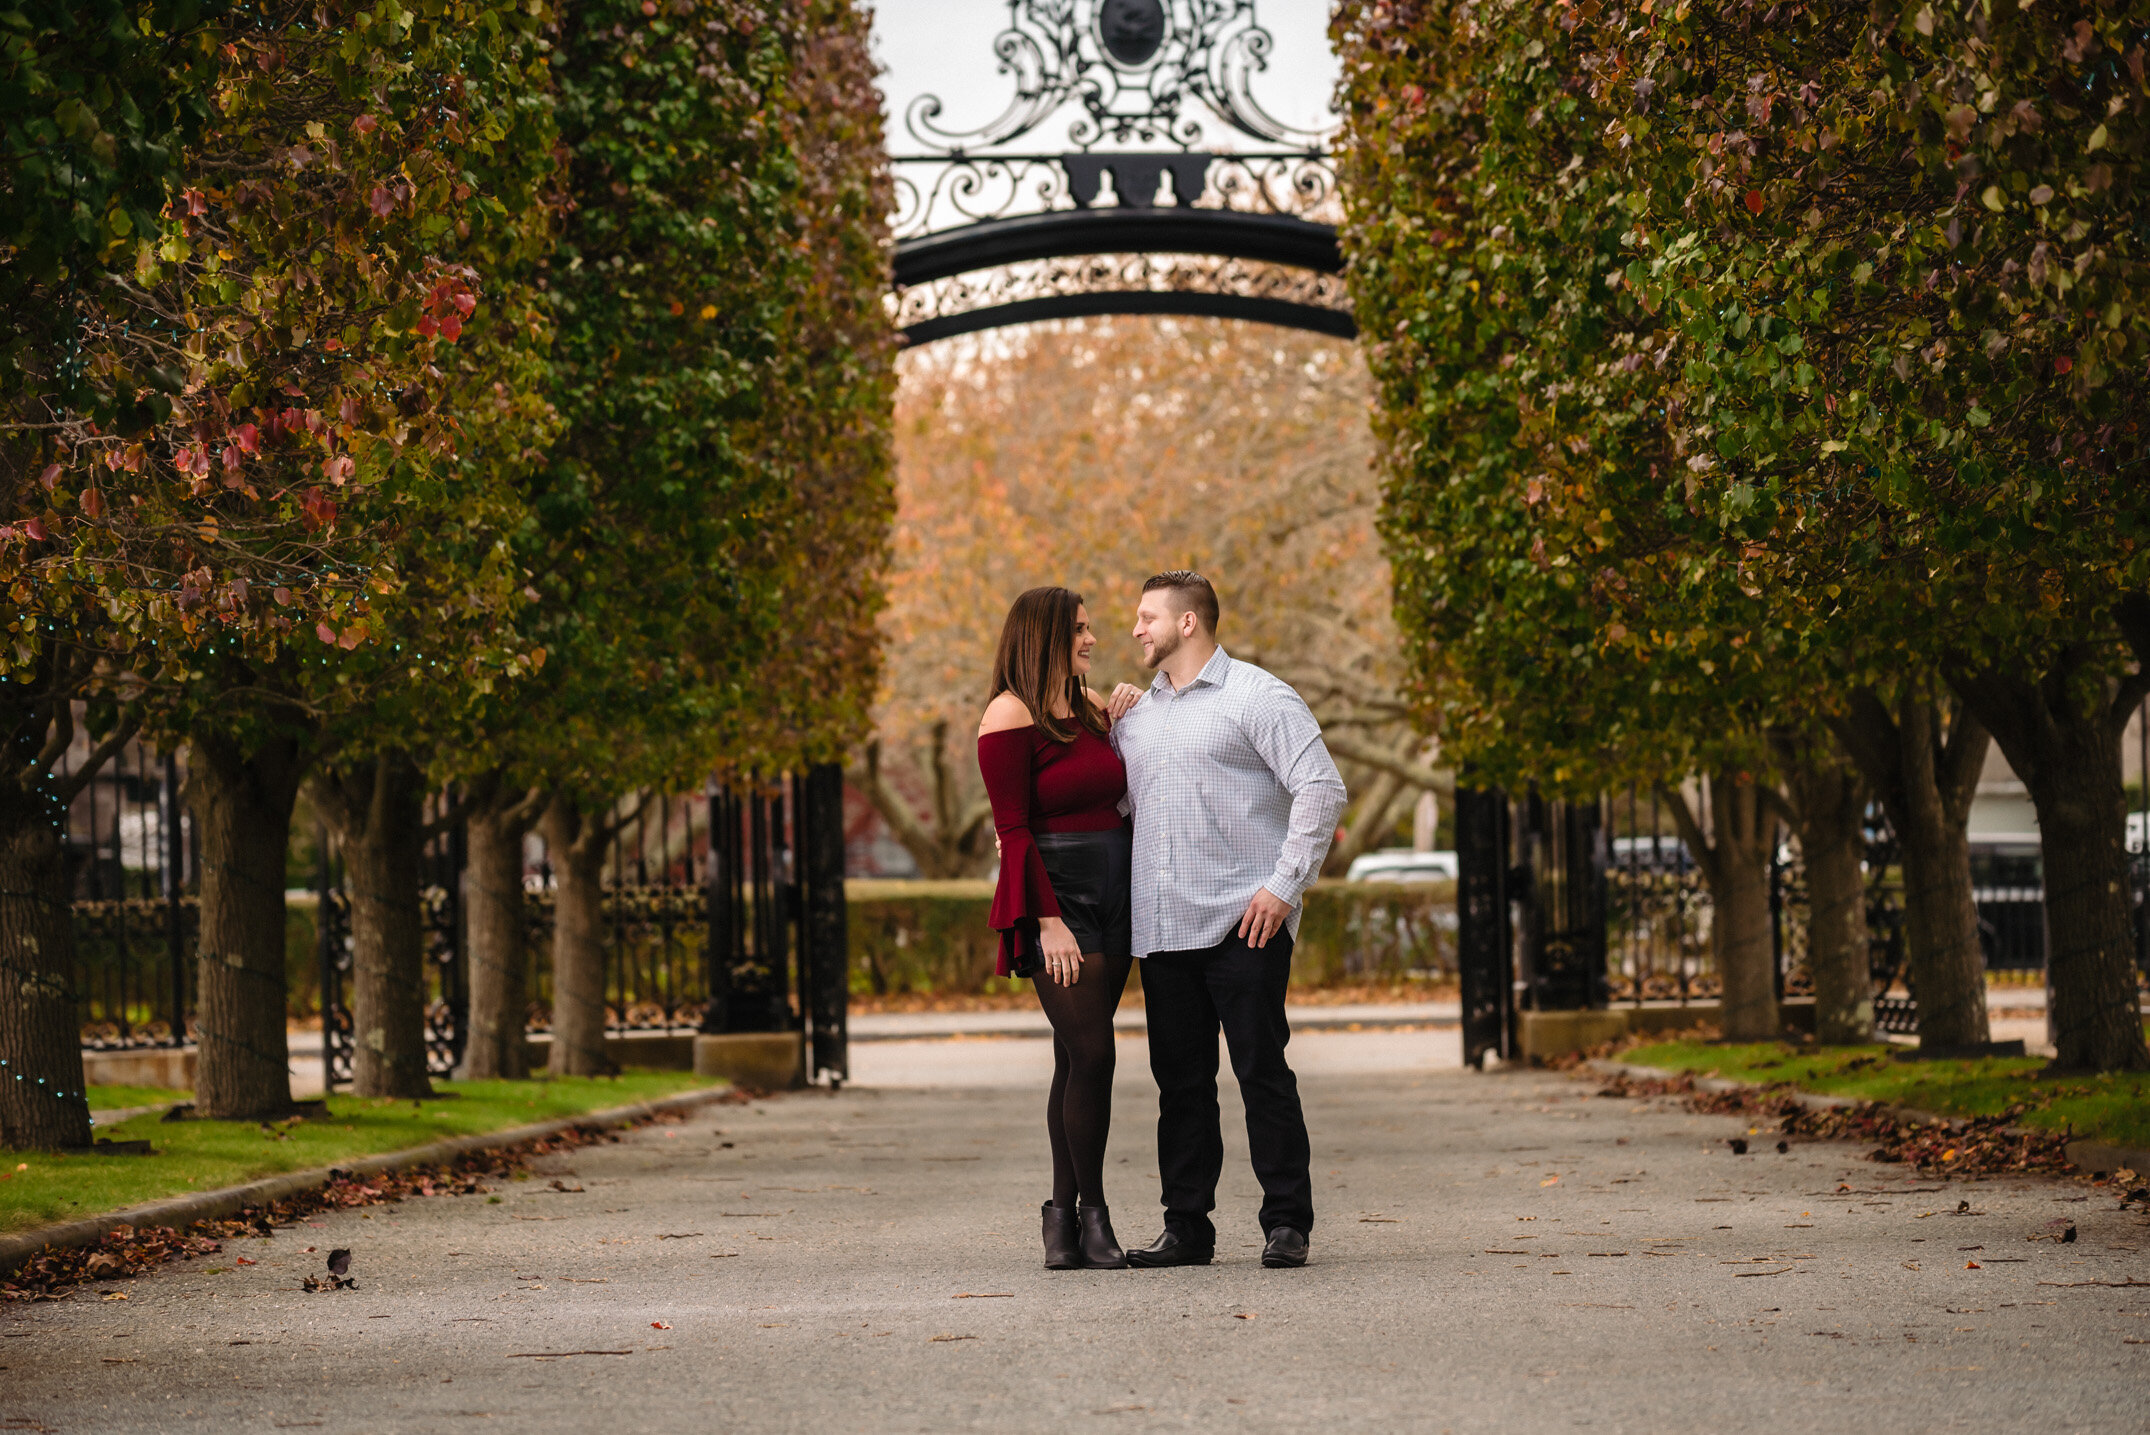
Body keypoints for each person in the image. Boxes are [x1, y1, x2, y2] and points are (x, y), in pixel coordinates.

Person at [1103, 571, 1347, 1270]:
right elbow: (1119, 811)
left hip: (1247, 922)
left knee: (1260, 1071)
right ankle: (1187, 1228)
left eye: (1147, 616)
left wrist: (1283, 886)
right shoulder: (1138, 717)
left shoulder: (1259, 696)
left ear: (1188, 623)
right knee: (1179, 1086)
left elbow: (1321, 788)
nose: (1135, 629)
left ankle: (1287, 1223)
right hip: (1164, 930)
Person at [977, 586, 1135, 1271]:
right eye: (1078, 629)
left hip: (1117, 893)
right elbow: (1012, 829)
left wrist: (1131, 711)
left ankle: (1059, 1222)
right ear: (1043, 635)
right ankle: (1090, 1212)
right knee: (1094, 1052)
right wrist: (1048, 922)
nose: (1092, 638)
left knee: (1075, 1056)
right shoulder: (1008, 715)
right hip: (1058, 900)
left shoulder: (1097, 709)